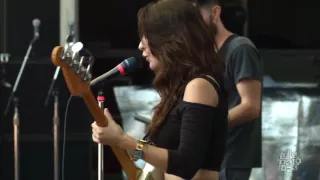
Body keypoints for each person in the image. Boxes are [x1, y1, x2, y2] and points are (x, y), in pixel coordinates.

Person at [91, 0, 228, 179]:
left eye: (147, 36)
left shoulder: (199, 86)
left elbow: (186, 165)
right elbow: (159, 162)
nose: (141, 45)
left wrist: (122, 140)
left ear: (170, 39)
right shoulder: (179, 90)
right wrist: (121, 142)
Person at [190, 0, 263, 179]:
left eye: (195, 19)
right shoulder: (206, 55)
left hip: (232, 159)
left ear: (215, 13)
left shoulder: (240, 49)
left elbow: (251, 107)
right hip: (210, 157)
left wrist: (209, 124)